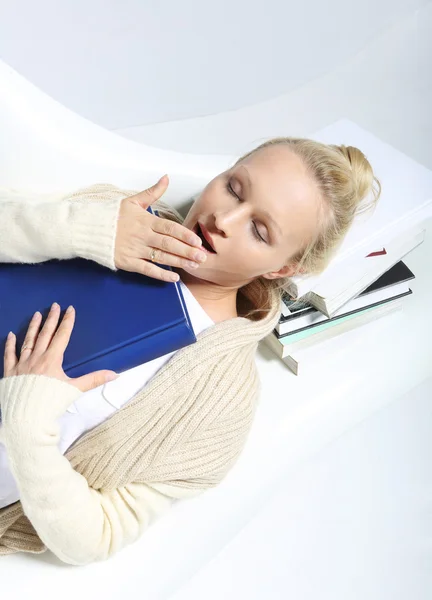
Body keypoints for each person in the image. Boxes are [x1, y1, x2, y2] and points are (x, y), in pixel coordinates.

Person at [0, 137, 381, 564]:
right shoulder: (119, 215)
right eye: (234, 188)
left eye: (259, 230)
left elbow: (98, 536)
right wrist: (84, 228)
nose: (223, 218)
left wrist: (27, 427)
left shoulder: (222, 404)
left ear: (282, 268)